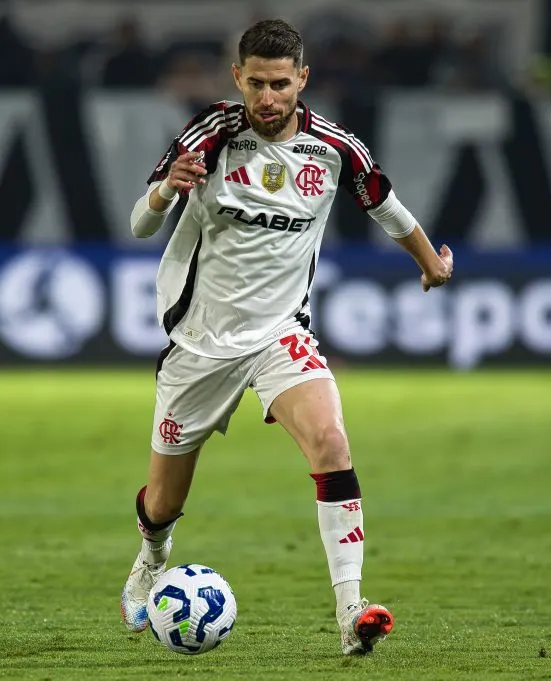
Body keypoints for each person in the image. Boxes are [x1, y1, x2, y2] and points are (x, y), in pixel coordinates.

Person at [120, 18, 453, 655]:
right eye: (256, 84)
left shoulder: (334, 149)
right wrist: (164, 191)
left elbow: (385, 205)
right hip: (199, 344)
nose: (267, 98)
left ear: (302, 79)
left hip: (280, 335)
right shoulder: (210, 134)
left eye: (279, 84)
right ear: (237, 78)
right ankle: (151, 557)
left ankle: (352, 613)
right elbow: (140, 224)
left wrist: (429, 262)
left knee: (331, 441)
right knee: (162, 502)